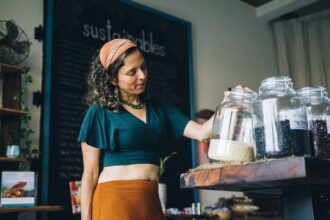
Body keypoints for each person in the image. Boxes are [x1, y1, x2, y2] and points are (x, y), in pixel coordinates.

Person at [78, 38, 215, 220]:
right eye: (132, 72)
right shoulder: (99, 113)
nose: (142, 75)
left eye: (143, 67)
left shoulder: (160, 109)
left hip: (149, 199)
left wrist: (230, 104)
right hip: (114, 199)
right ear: (112, 79)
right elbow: (90, 175)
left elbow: (203, 133)